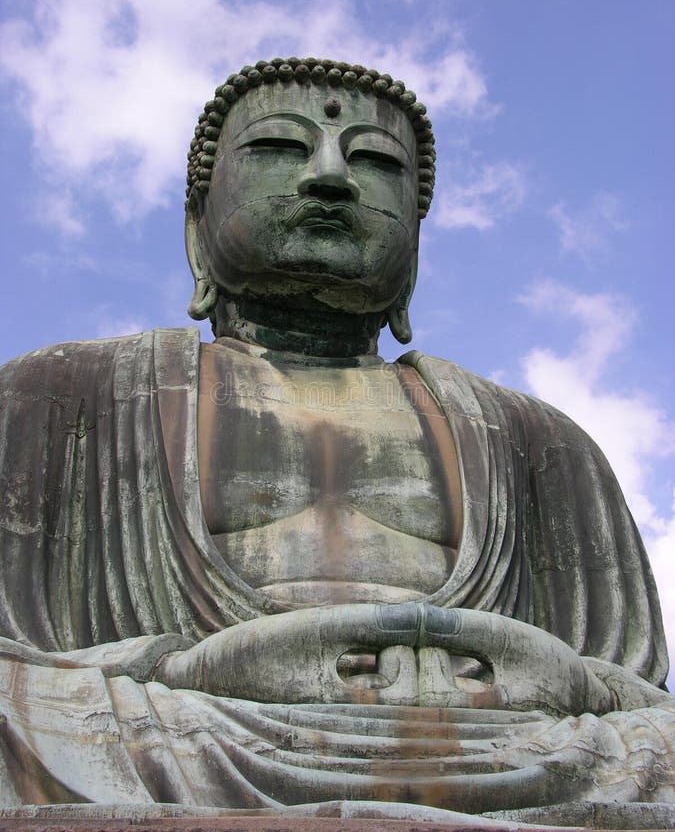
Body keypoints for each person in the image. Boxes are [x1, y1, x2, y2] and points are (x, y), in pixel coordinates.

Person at [0, 58, 672, 828]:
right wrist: (187, 666)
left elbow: (626, 685)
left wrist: (547, 678)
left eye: (376, 162)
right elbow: (18, 653)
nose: (329, 179)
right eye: (279, 150)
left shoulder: (536, 438)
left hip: (516, 744)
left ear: (414, 248)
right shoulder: (59, 393)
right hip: (191, 732)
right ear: (197, 225)